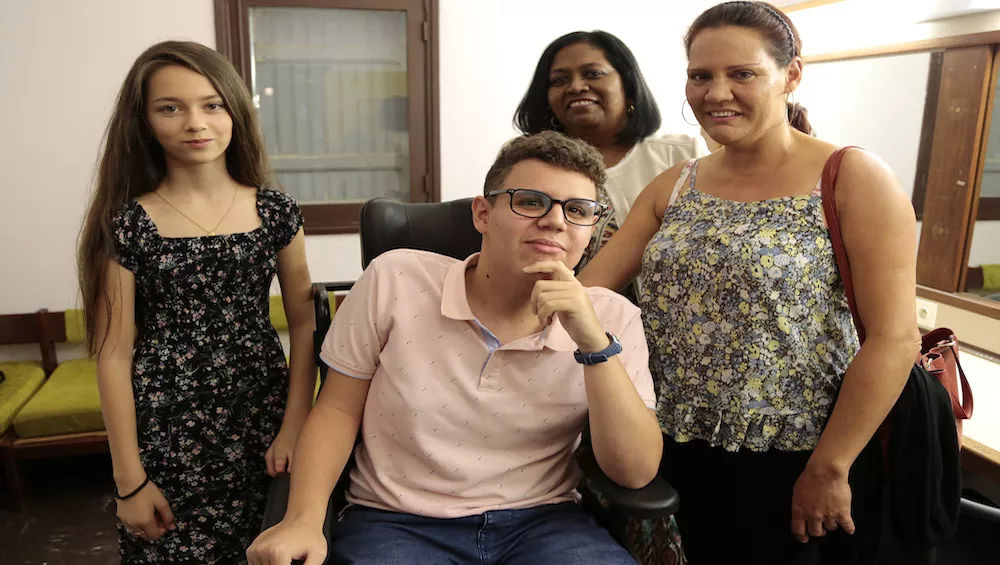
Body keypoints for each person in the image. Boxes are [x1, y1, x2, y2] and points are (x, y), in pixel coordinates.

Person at [578, 2, 921, 564]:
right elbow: (589, 295)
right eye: (700, 76)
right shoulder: (677, 184)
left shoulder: (852, 177)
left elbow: (895, 337)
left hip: (799, 455)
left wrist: (830, 467)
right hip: (673, 444)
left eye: (742, 73)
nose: (717, 94)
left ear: (791, 75)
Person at [246, 131, 662, 565]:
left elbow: (635, 472)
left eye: (577, 210)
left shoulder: (612, 318)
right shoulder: (395, 280)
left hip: (544, 522)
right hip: (398, 521)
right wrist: (303, 520)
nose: (555, 221)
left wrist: (594, 344)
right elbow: (336, 411)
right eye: (531, 201)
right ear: (483, 214)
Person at [78, 40, 316, 564]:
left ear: (236, 111)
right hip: (166, 430)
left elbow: (304, 325)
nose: (195, 123)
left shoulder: (276, 211)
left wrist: (295, 424)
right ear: (144, 123)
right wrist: (129, 481)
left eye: (212, 104)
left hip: (262, 418)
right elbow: (113, 355)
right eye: (170, 107)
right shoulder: (128, 223)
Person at [515, 30, 708, 275]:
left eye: (593, 74)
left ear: (627, 85)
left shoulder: (682, 154)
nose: (576, 87)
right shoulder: (523, 158)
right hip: (542, 296)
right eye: (559, 80)